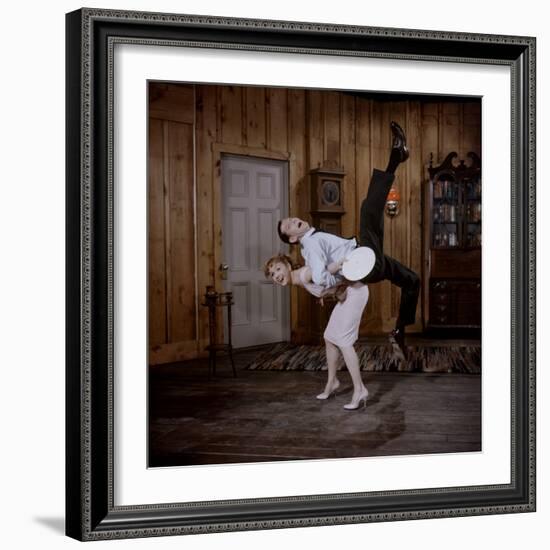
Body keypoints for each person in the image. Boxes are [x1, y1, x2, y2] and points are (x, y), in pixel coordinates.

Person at [277, 121, 420, 361]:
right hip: (361, 263)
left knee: (412, 280)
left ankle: (399, 332)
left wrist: (332, 289)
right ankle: (396, 156)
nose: (294, 220)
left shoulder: (312, 239)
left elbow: (320, 279)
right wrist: (336, 279)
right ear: (292, 238)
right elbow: (321, 276)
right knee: (367, 210)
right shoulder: (309, 245)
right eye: (289, 225)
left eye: (291, 218)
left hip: (367, 263)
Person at [264, 254, 369, 410]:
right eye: (273, 274)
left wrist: (336, 288)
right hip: (348, 293)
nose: (277, 275)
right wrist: (325, 293)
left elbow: (335, 273)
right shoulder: (300, 279)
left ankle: (360, 390)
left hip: (355, 292)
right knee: (329, 337)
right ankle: (332, 382)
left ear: (288, 265)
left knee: (344, 341)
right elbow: (326, 280)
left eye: (278, 269)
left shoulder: (304, 275)